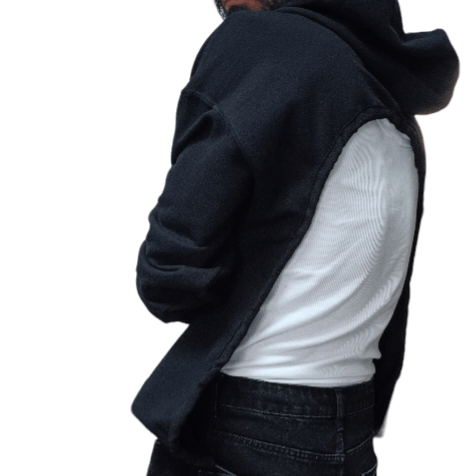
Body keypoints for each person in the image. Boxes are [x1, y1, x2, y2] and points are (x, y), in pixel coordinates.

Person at [131, 0, 460, 475]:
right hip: (349, 428)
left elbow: (169, 276)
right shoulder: (387, 86)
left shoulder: (264, 42)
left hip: (249, 420)